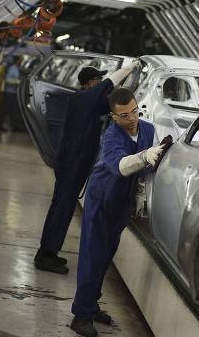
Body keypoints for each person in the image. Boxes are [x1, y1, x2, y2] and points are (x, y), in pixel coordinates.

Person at [70, 88, 164, 337]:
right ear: (113, 116)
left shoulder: (148, 129)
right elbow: (122, 167)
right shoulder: (111, 136)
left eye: (134, 111)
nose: (131, 118)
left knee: (106, 256)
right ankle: (81, 315)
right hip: (101, 200)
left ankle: (91, 304)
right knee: (93, 256)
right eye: (124, 115)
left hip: (122, 202)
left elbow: (146, 169)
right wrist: (145, 156)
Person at [34, 61, 138, 274]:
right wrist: (123, 71)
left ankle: (49, 252)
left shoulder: (90, 103)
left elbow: (109, 103)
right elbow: (104, 88)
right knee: (62, 207)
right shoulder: (81, 98)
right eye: (97, 81)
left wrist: (126, 86)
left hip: (76, 163)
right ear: (89, 83)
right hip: (71, 162)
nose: (100, 84)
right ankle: (45, 255)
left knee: (64, 207)